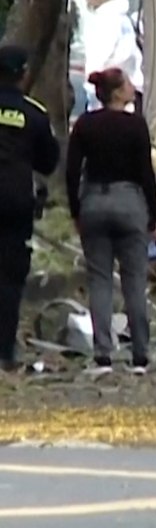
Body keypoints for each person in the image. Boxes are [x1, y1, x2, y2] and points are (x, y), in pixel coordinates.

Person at [65, 68, 156, 376]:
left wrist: (76, 210)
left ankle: (103, 354)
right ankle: (140, 355)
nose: (134, 87)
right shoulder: (136, 126)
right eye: (129, 83)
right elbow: (146, 172)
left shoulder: (85, 124)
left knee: (100, 279)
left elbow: (71, 170)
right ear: (118, 93)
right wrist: (154, 216)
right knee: (134, 280)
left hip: (94, 200)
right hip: (130, 201)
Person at [0, 46, 60, 373]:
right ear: (23, 74)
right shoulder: (33, 113)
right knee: (9, 280)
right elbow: (48, 161)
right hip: (15, 204)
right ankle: (4, 353)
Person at [80, 0, 141, 113]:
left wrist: (92, 80)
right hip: (125, 83)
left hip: (109, 86)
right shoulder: (122, 17)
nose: (87, 0)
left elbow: (101, 53)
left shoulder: (106, 18)